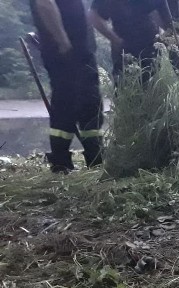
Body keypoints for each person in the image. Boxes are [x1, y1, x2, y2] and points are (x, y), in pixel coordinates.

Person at [29, 0, 104, 172]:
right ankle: (61, 163)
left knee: (90, 104)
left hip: (81, 51)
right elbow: (44, 4)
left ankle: (96, 159)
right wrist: (62, 40)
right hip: (66, 51)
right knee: (67, 103)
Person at [89, 0, 165, 82]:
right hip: (125, 48)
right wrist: (116, 40)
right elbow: (93, 15)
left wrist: (163, 35)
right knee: (125, 86)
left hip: (151, 47)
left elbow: (157, 10)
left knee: (152, 85)